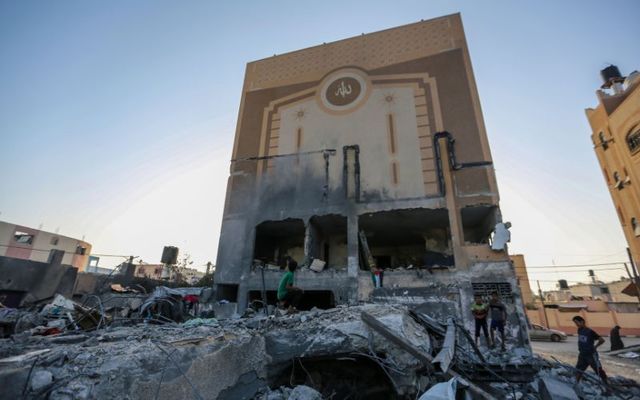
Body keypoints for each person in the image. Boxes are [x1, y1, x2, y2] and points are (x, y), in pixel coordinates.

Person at [572, 316, 608, 384]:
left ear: (582, 322)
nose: (576, 324)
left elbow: (602, 340)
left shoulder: (590, 332)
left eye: (577, 323)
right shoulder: (579, 330)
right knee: (578, 370)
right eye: (575, 323)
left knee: (598, 370)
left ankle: (607, 386)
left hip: (591, 355)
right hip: (582, 355)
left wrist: (595, 347)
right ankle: (576, 385)